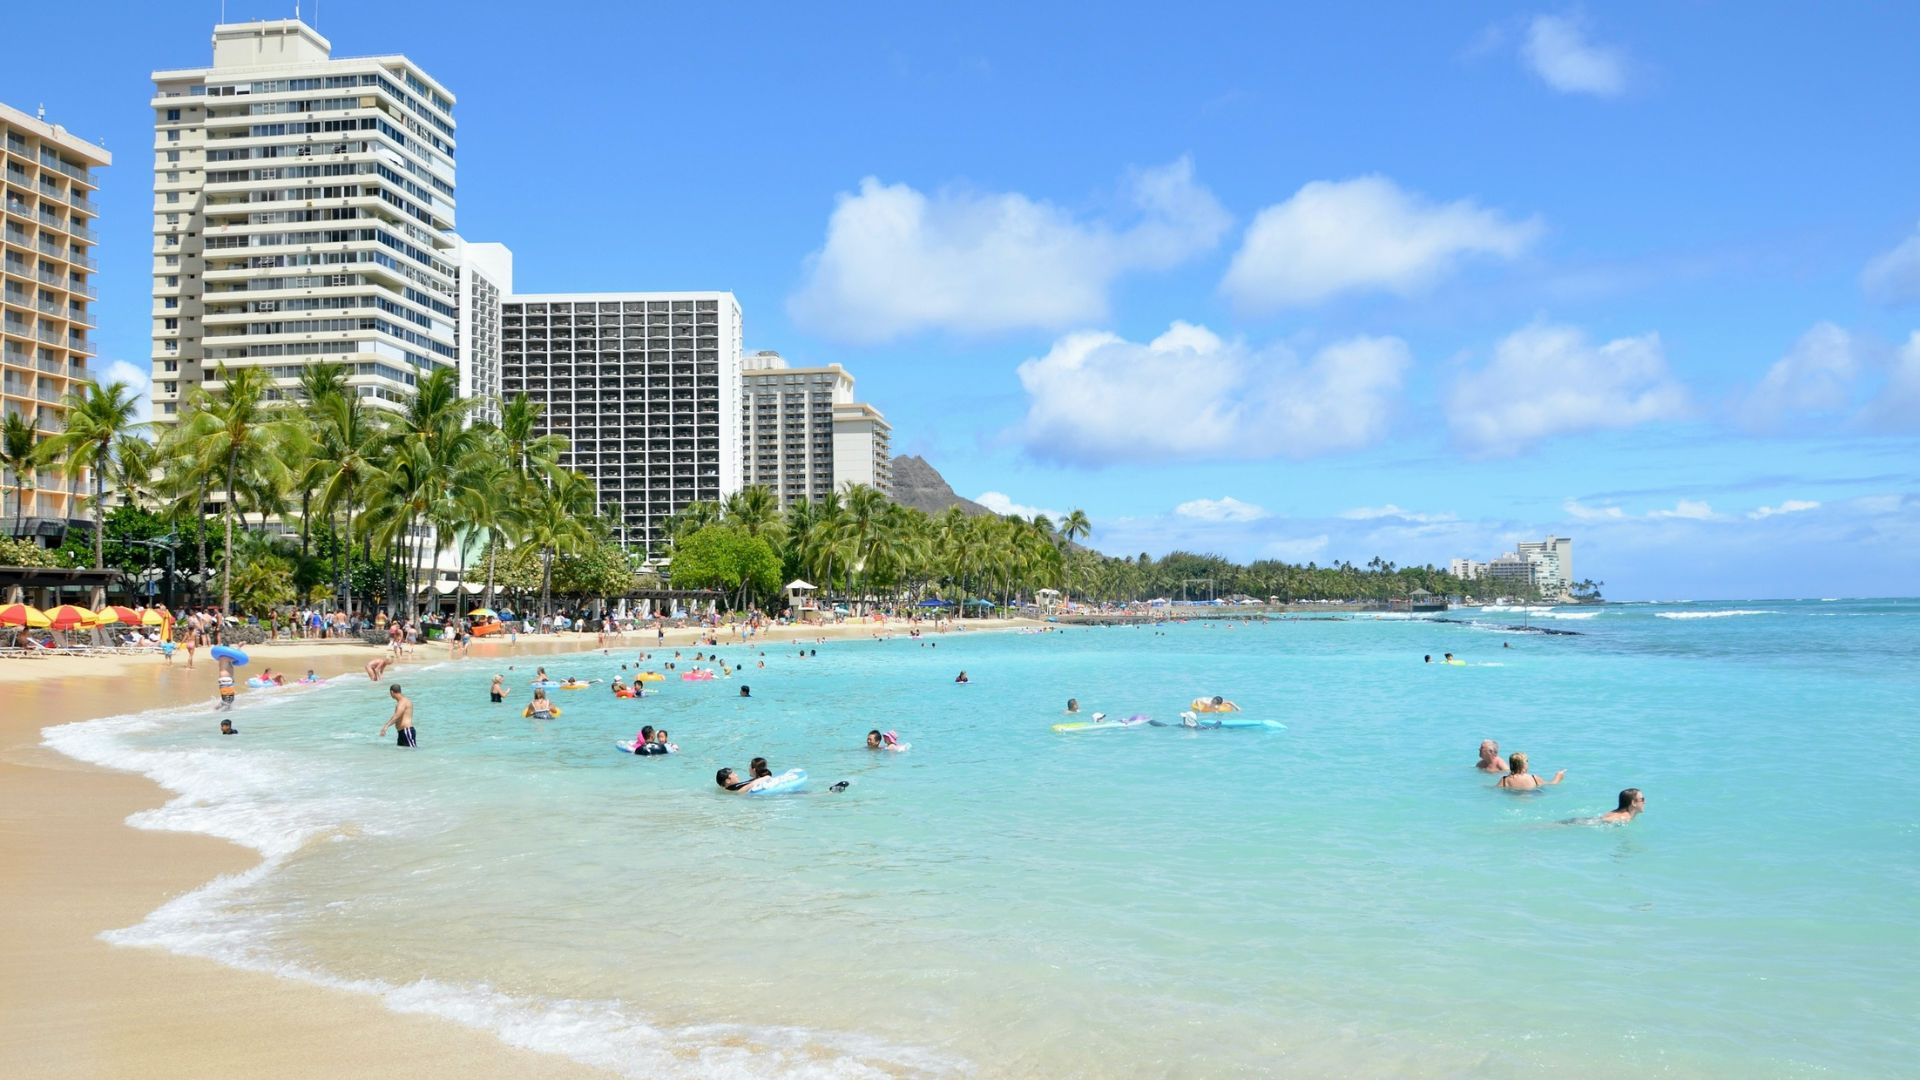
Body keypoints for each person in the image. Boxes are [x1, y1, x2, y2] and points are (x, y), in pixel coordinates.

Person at [1496, 752, 1563, 790]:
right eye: (1527, 761)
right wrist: (1558, 776)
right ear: (1524, 765)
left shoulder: (1505, 780)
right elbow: (1552, 784)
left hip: (1514, 800)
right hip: (1531, 798)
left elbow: (1495, 789)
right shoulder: (1534, 778)